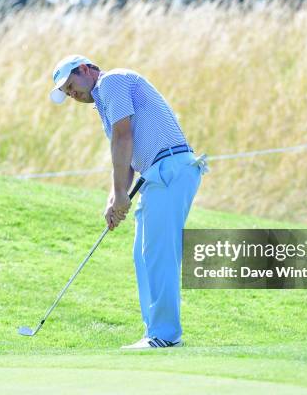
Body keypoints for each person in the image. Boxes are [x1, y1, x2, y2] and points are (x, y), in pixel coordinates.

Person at [49, 54, 207, 349]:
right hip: (156, 173)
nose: (73, 95)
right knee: (143, 254)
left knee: (158, 253)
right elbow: (129, 154)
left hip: (170, 169)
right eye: (68, 93)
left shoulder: (112, 81)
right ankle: (155, 332)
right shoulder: (104, 101)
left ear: (85, 69)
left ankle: (166, 335)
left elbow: (123, 138)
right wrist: (115, 196)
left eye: (72, 86)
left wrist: (122, 194)